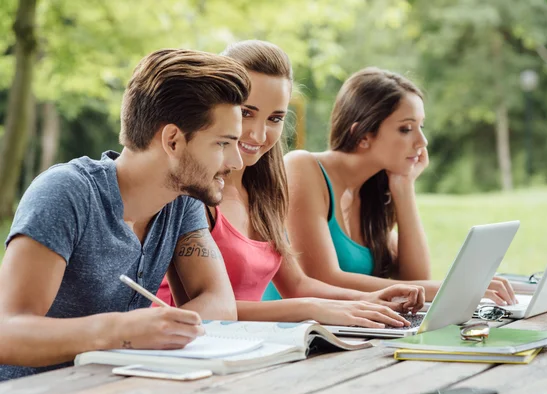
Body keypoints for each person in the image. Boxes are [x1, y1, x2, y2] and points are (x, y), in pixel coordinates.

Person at [0, 49, 250, 381]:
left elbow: (220, 303)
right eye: (222, 143)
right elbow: (8, 332)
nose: (236, 162)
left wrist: (157, 331)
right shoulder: (66, 193)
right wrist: (121, 330)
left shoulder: (182, 199)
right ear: (173, 141)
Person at [157, 40, 425, 328]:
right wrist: (312, 309)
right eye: (247, 112)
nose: (259, 134)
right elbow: (201, 310)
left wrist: (372, 299)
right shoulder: (192, 190)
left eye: (275, 118)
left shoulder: (265, 191)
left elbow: (297, 285)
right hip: (183, 346)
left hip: (247, 345)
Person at [266, 67, 517, 305]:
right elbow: (323, 278)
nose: (422, 141)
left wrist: (404, 187)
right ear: (363, 135)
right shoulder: (302, 167)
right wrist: (458, 287)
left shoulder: (369, 194)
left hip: (346, 333)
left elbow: (413, 280)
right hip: (293, 338)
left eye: (421, 126)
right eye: (406, 129)